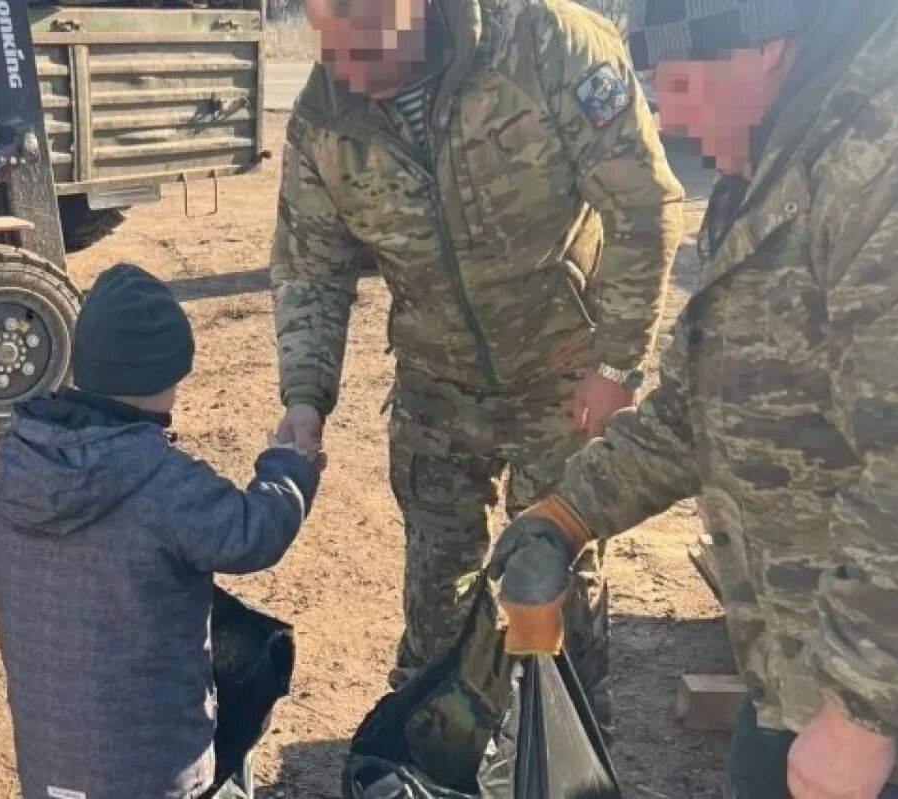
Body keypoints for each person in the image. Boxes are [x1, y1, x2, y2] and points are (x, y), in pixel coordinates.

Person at [489, 1, 898, 796]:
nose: (664, 113)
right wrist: (568, 513)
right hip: (797, 672)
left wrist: (862, 711)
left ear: (765, 48)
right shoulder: (770, 165)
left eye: (678, 82)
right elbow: (696, 408)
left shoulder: (880, 162)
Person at [269, 0, 685, 712]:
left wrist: (618, 365)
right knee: (436, 598)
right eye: (329, 43)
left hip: (564, 375)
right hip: (436, 384)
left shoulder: (546, 43)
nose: (344, 72)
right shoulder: (325, 119)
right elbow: (311, 267)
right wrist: (305, 398)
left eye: (364, 49)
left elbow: (643, 206)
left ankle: (568, 748)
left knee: (558, 576)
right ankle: (438, 748)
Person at [0, 264, 322, 799]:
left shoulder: (18, 464)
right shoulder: (161, 480)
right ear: (168, 376)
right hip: (152, 766)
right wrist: (289, 466)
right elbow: (254, 533)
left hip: (50, 762)